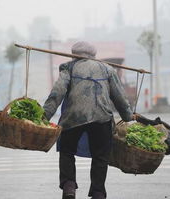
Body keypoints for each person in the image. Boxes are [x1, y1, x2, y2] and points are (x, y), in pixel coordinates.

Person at [43, 41, 136, 199]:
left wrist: (45, 116)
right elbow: (119, 97)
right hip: (102, 117)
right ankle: (98, 192)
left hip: (73, 116)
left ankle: (68, 186)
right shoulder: (107, 69)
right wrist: (128, 116)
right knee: (100, 155)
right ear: (93, 55)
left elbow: (57, 92)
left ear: (74, 55)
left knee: (66, 150)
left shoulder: (69, 68)